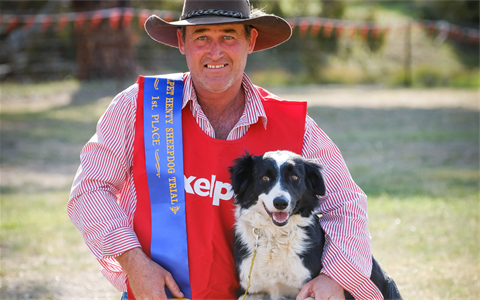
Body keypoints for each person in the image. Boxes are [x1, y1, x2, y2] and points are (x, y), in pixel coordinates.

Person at [68, 0, 385, 299]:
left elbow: (345, 206)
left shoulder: (294, 127)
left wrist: (334, 276)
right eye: (202, 36)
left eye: (228, 36)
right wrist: (133, 263)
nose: (215, 51)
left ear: (251, 40)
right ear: (182, 42)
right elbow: (91, 189)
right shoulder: (137, 106)